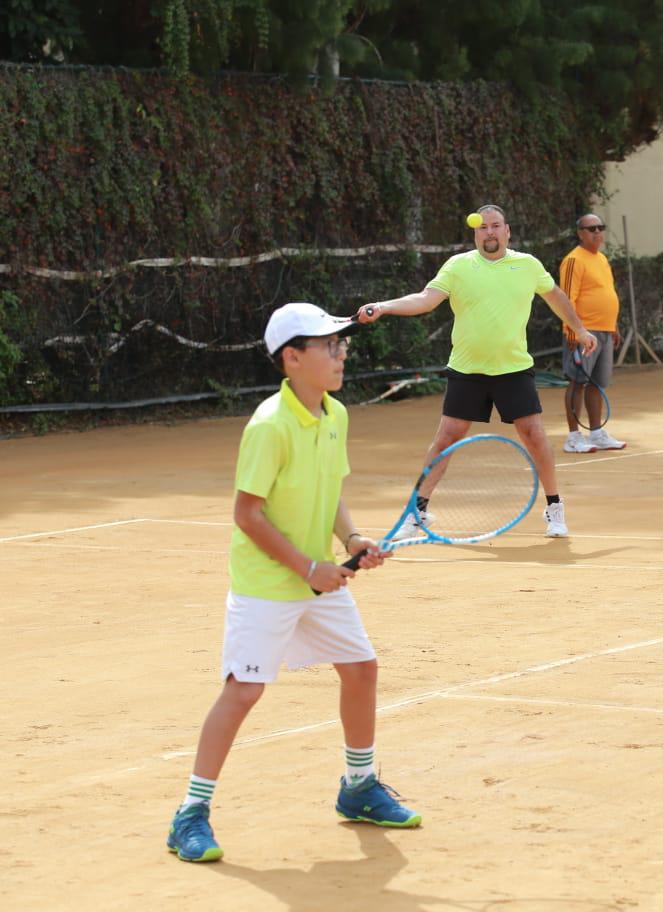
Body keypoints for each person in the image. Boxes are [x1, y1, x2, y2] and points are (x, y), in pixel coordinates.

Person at [165, 302, 420, 864]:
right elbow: (247, 514)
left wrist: (352, 538)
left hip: (318, 579)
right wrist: (307, 568)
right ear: (292, 358)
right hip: (267, 584)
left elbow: (331, 491)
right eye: (329, 346)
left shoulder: (336, 414)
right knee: (244, 690)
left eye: (340, 344)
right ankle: (190, 815)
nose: (341, 354)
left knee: (361, 668)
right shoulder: (270, 426)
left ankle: (358, 787)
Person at [354, 204, 597, 538]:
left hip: (513, 368)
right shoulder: (458, 266)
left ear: (507, 231)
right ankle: (417, 513)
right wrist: (384, 306)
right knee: (446, 438)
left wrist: (579, 330)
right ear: (475, 233)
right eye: (483, 227)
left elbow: (556, 297)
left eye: (495, 226)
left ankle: (554, 507)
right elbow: (426, 299)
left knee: (534, 435)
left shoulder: (528, 265)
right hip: (467, 369)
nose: (489, 232)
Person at [560, 213, 627, 453]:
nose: (597, 232)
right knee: (578, 381)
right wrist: (572, 332)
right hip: (584, 332)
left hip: (605, 330)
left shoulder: (602, 259)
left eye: (600, 227)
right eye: (591, 229)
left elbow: (606, 293)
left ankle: (597, 434)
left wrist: (613, 326)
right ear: (580, 233)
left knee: (597, 383)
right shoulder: (573, 260)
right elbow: (566, 299)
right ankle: (573, 437)